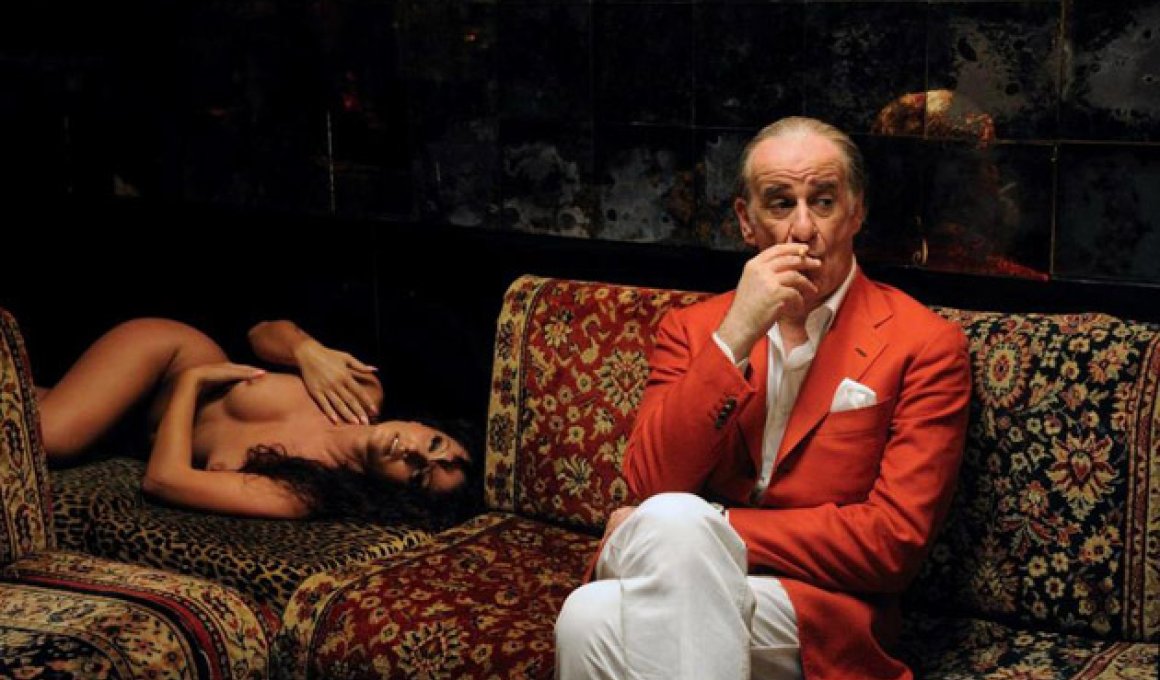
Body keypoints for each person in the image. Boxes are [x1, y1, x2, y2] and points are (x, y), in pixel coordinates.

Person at [555, 117, 971, 679]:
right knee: (617, 586)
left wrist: (714, 526)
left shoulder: (924, 344)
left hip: (815, 605)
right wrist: (736, 334)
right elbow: (651, 482)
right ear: (746, 222)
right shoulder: (694, 329)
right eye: (780, 204)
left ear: (856, 212)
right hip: (678, 567)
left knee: (593, 612)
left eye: (823, 202)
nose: (803, 228)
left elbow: (893, 544)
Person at [35, 318, 474, 519]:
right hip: (167, 358)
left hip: (159, 404)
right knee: (53, 436)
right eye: (433, 444)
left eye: (418, 474)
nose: (413, 452)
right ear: (423, 425)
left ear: (397, 494)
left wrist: (192, 384)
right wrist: (305, 349)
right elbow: (260, 333)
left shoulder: (306, 490)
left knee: (28, 412)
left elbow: (164, 480)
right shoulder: (361, 392)